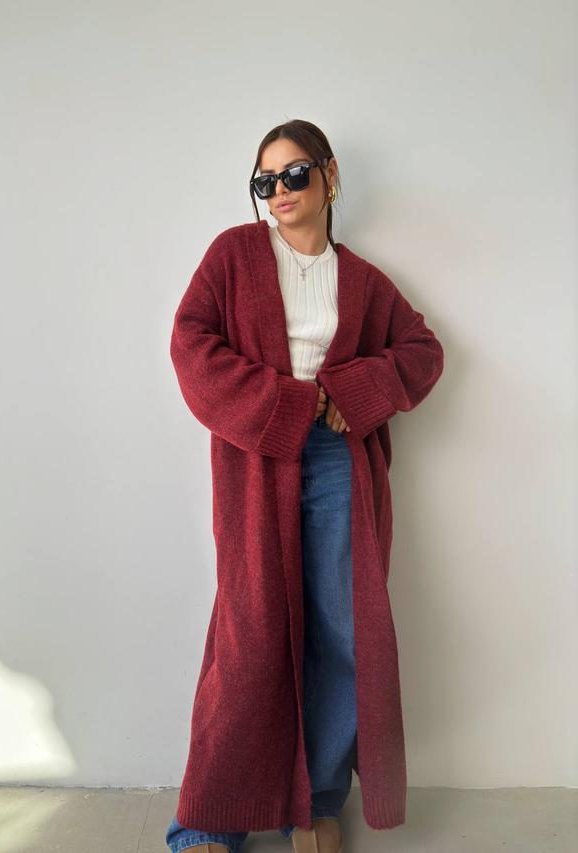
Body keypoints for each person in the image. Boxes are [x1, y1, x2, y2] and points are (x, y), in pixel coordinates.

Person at [165, 119, 444, 853]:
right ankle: (210, 819)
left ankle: (315, 802)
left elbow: (422, 351)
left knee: (343, 629)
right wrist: (287, 404)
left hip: (337, 460)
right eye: (265, 181)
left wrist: (354, 390)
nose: (280, 191)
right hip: (257, 457)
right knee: (251, 631)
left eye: (294, 174)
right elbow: (191, 345)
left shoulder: (364, 280)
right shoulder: (233, 255)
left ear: (329, 175)